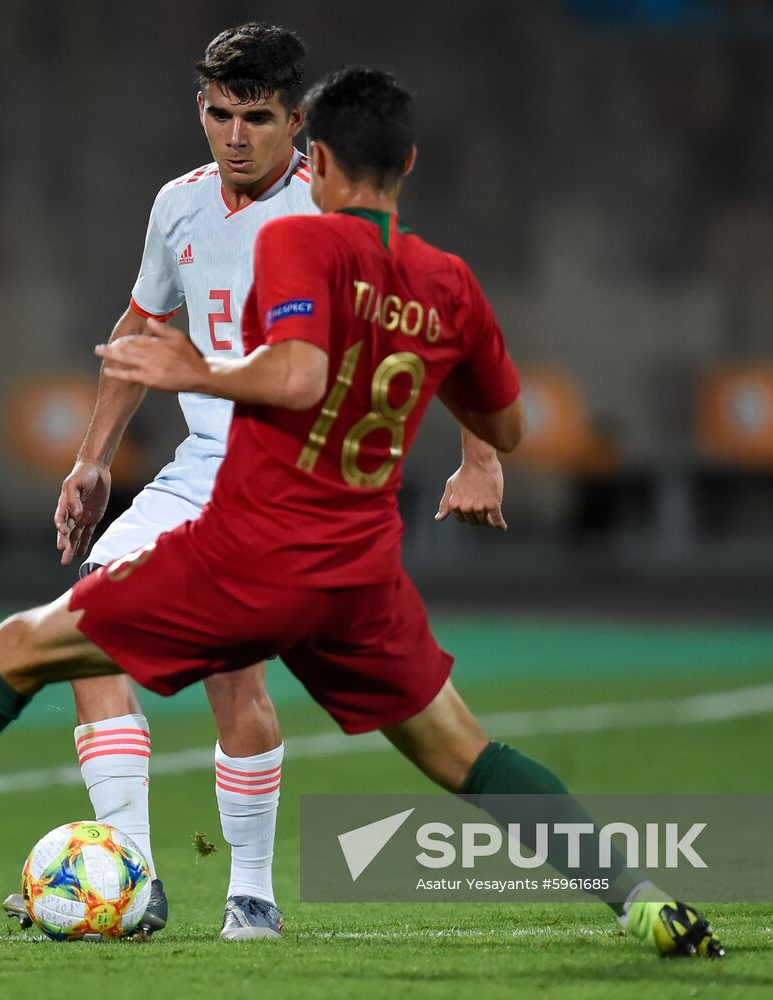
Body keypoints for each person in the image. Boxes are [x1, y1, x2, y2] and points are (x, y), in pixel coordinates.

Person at [0, 66, 718, 957]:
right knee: (465, 751)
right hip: (361, 575)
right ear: (411, 163)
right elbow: (503, 419)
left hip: (256, 553)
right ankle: (643, 901)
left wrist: (192, 367)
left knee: (22, 646)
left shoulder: (300, 237)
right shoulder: (448, 282)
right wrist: (481, 462)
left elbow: (295, 376)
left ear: (319, 157)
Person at [49, 22, 505, 939]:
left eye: (257, 117)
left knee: (233, 677)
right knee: (85, 634)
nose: (235, 136)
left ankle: (251, 893)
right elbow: (140, 327)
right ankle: (131, 881)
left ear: (299, 121)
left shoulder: (329, 218)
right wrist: (93, 457)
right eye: (219, 114)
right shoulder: (176, 206)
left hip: (283, 479)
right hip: (193, 470)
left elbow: (431, 325)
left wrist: (482, 453)